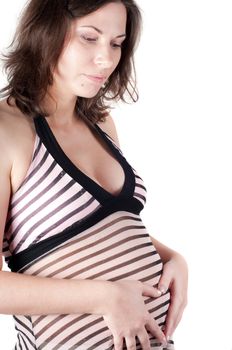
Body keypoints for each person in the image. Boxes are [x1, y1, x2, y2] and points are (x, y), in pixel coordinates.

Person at [0, 1, 188, 349]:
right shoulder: (6, 130)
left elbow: (99, 225)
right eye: (89, 37)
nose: (106, 58)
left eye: (116, 43)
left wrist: (171, 257)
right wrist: (103, 298)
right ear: (45, 31)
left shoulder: (101, 123)